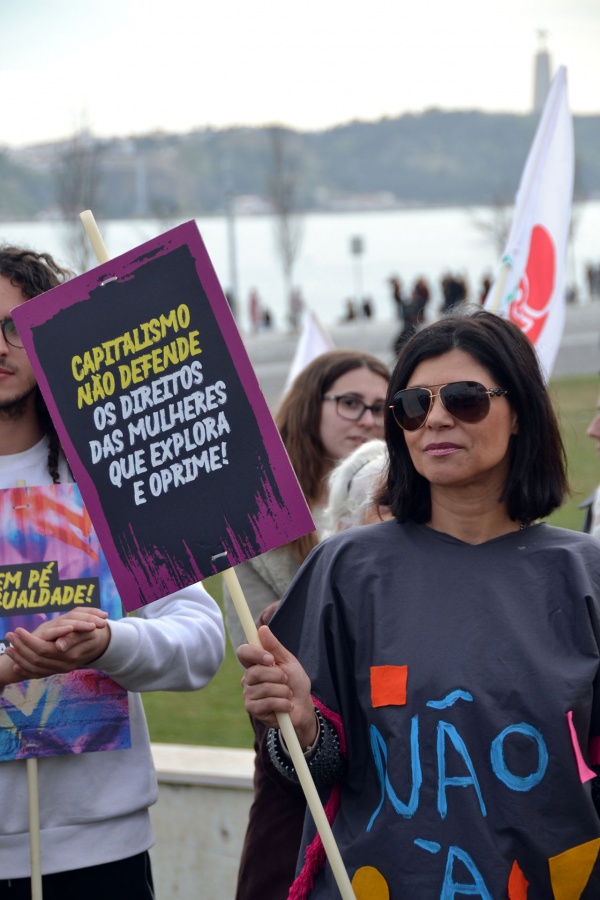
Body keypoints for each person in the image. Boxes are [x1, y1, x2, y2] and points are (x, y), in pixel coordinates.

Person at [238, 308, 600, 898]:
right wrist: (299, 729)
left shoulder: (585, 575)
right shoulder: (344, 570)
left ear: (520, 416)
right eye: (411, 404)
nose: (435, 418)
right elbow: (313, 773)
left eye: (465, 399)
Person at [0, 246, 225, 900]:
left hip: (104, 846)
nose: (1, 345)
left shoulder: (115, 476)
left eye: (17, 326)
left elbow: (201, 641)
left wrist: (111, 643)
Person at [224, 349, 390, 900]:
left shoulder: (417, 505)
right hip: (293, 764)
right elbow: (262, 649)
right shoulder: (255, 519)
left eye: (382, 406)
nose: (368, 418)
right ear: (309, 406)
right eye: (350, 402)